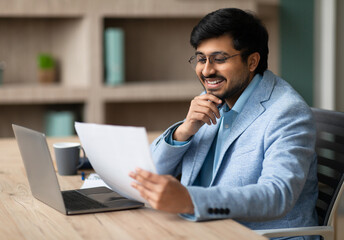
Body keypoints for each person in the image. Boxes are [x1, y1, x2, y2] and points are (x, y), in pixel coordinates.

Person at [129, 7, 318, 238]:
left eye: (219, 59)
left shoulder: (287, 112)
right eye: (201, 59)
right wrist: (183, 131)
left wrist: (190, 200)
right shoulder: (211, 100)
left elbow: (277, 194)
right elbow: (151, 171)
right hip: (204, 229)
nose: (207, 70)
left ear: (252, 62)